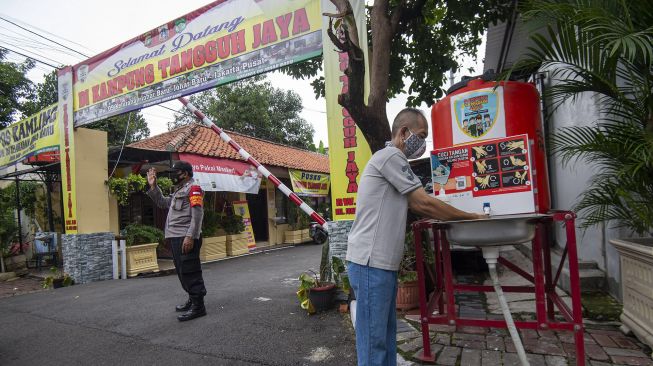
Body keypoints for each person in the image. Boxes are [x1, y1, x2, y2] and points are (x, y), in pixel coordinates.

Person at [346, 108, 484, 366]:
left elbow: (419, 204)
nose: (421, 144)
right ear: (403, 133)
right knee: (374, 346)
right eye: (420, 136)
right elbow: (423, 204)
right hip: (370, 263)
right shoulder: (390, 157)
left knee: (385, 340)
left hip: (378, 264)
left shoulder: (392, 162)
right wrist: (472, 217)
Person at [146, 161, 207, 321]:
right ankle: (192, 299)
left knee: (190, 271)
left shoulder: (194, 189)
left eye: (176, 172)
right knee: (182, 272)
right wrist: (153, 187)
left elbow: (197, 215)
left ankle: (198, 307)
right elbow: (162, 203)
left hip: (185, 237)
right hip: (175, 236)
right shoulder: (179, 190)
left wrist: (190, 237)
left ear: (185, 174)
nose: (173, 175)